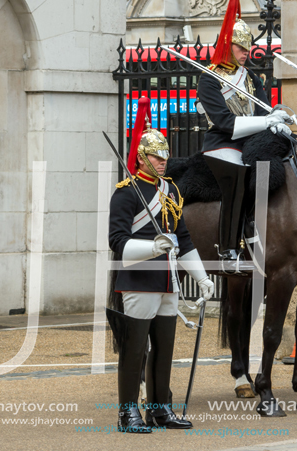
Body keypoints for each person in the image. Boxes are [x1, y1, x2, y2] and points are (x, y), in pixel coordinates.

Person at [108, 97, 215, 434]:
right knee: (135, 350)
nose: (164, 161)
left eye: (166, 156)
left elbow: (182, 238)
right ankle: (128, 413)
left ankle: (159, 409)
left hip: (169, 282)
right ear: (141, 157)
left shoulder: (170, 191)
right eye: (157, 156)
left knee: (164, 350)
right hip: (139, 279)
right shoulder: (126, 193)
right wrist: (153, 245)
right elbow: (118, 242)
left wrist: (201, 277)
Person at [196, 0, 292, 273]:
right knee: (238, 176)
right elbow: (225, 122)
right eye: (240, 48)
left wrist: (274, 116)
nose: (245, 54)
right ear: (227, 45)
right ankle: (228, 248)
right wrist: (265, 122)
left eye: (247, 48)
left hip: (251, 143)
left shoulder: (251, 78)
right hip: (222, 144)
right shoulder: (209, 79)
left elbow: (262, 111)